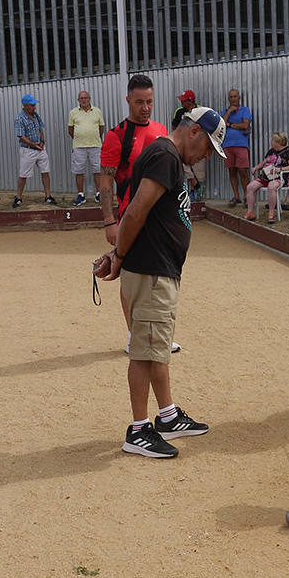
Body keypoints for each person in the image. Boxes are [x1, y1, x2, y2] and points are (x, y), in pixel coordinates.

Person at [96, 108, 226, 459]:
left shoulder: (163, 154)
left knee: (156, 347)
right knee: (144, 351)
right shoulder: (166, 155)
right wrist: (119, 256)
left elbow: (140, 213)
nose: (206, 157)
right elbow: (136, 210)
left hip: (157, 267)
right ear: (195, 131)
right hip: (152, 270)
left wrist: (117, 252)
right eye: (208, 148)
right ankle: (139, 430)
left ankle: (166, 416)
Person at [97, 74, 180, 355]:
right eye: (139, 102)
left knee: (160, 275)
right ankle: (135, 333)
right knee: (129, 275)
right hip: (128, 218)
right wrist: (110, 221)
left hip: (159, 220)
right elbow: (105, 182)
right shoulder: (116, 135)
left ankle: (160, 335)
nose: (145, 107)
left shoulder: (160, 129)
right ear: (128, 101)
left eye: (150, 102)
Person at [13, 94, 57, 209]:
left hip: (40, 149)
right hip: (28, 150)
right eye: (32, 105)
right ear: (25, 105)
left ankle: (48, 196)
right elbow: (21, 136)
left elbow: (41, 128)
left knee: (45, 171)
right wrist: (34, 145)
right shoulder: (20, 118)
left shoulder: (35, 115)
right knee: (23, 174)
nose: (34, 107)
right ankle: (18, 197)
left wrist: (42, 142)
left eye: (34, 105)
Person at [244, 131, 289, 222]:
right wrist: (256, 167)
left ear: (278, 142)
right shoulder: (271, 151)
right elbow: (264, 162)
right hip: (266, 176)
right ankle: (250, 212)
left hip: (281, 178)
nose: (271, 142)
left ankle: (271, 213)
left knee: (271, 186)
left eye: (273, 140)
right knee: (250, 187)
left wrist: (280, 169)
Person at [68, 90, 105, 207]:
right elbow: (71, 130)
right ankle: (81, 195)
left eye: (86, 98)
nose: (84, 100)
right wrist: (80, 138)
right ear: (78, 100)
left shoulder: (97, 111)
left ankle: (99, 194)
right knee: (79, 171)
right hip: (79, 146)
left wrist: (92, 137)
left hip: (95, 145)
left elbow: (101, 128)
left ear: (89, 98)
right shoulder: (73, 113)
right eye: (81, 98)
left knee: (97, 170)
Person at [173, 89, 206, 200]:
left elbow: (206, 128)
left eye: (183, 100)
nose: (181, 102)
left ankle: (198, 194)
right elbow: (174, 127)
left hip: (198, 145)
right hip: (183, 145)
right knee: (183, 166)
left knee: (199, 170)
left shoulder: (201, 110)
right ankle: (190, 188)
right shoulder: (179, 111)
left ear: (190, 100)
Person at [222, 88, 252, 206]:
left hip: (241, 144)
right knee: (232, 170)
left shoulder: (245, 110)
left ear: (239, 98)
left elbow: (245, 125)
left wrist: (231, 125)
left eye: (235, 96)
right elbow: (221, 124)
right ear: (228, 99)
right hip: (227, 145)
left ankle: (246, 196)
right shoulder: (225, 111)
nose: (233, 99)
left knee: (242, 170)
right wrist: (229, 112)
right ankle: (236, 196)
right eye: (231, 97)